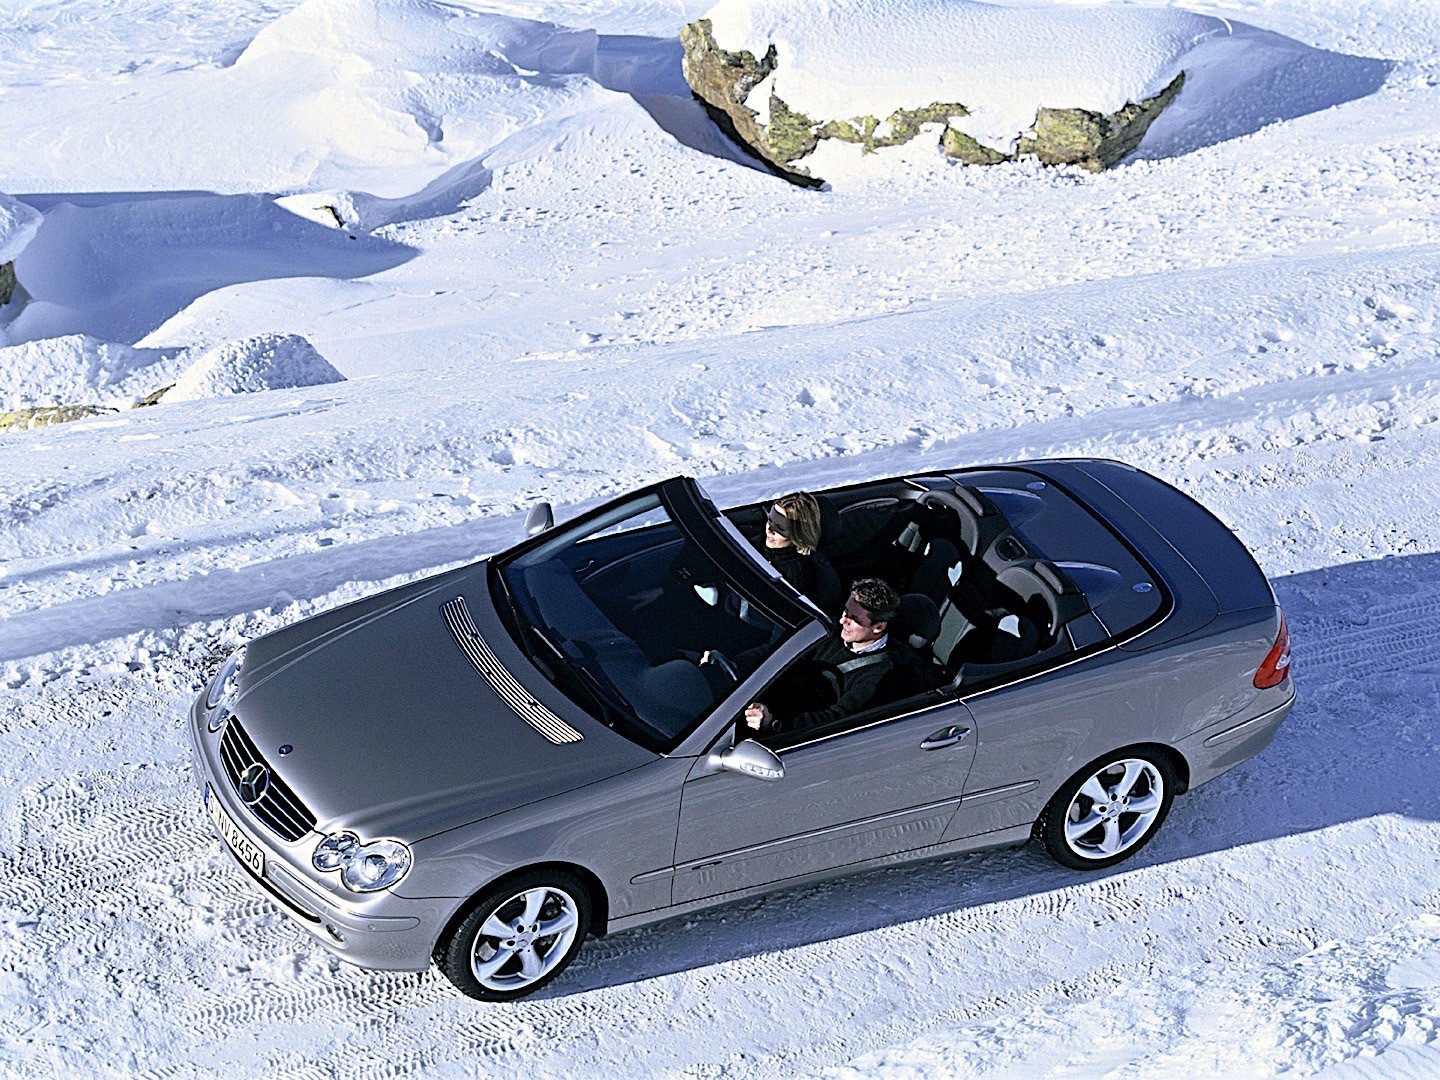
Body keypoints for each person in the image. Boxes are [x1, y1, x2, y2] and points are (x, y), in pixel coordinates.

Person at [744, 578, 899, 736]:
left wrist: (775, 723)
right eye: (845, 612)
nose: (842, 620)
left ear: (878, 627)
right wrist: (740, 664)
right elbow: (782, 654)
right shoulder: (830, 629)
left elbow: (835, 719)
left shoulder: (879, 674)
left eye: (855, 619)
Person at [760, 492, 843, 613]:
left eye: (781, 528)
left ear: (798, 535)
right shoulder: (767, 549)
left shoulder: (794, 575)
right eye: (770, 520)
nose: (770, 529)